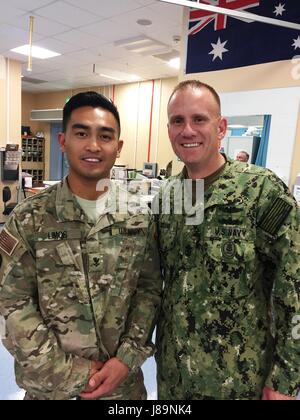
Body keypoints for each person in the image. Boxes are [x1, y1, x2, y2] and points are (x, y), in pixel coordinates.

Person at [0, 91, 161, 400]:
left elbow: (149, 290)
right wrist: (72, 373)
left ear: (118, 147)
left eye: (105, 135)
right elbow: (13, 304)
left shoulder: (139, 216)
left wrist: (126, 359)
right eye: (81, 133)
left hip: (121, 389)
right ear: (63, 141)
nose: (93, 146)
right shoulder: (29, 219)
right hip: (50, 387)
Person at [156, 80, 300, 400]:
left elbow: (295, 287)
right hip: (174, 378)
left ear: (220, 127)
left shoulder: (262, 191)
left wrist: (286, 379)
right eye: (178, 121)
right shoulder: (166, 199)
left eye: (199, 119)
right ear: (169, 130)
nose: (187, 130)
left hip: (239, 381)